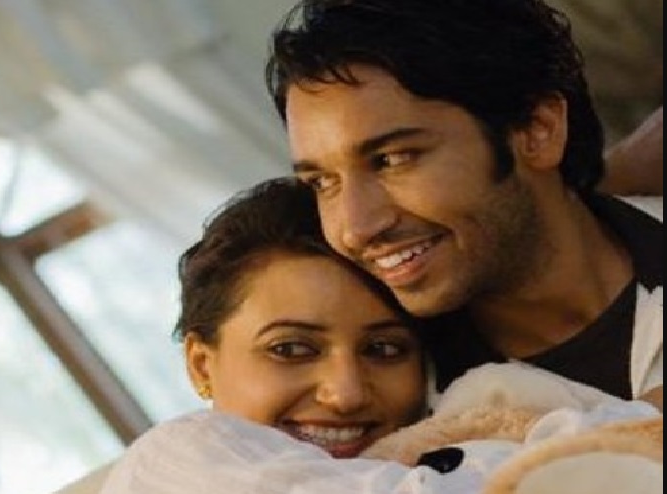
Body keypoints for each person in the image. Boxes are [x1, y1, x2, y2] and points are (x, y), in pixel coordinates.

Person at [71, 178, 648, 494]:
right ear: (202, 364)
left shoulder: (432, 454)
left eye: (384, 349)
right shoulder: (173, 464)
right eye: (291, 348)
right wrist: (641, 423)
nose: (345, 393)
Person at [263, 0, 662, 408]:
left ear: (537, 131)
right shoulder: (396, 414)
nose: (356, 227)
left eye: (393, 159)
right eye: (322, 182)